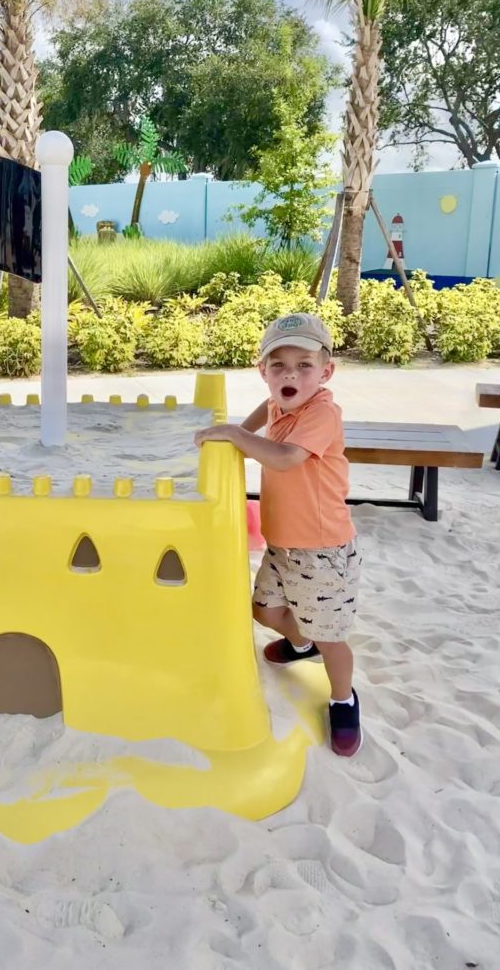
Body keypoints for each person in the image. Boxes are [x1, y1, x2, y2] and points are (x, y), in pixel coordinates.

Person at [194, 313, 362, 757]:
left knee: (330, 636)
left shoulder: (321, 413)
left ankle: (343, 699)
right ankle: (300, 642)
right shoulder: (278, 403)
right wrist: (232, 433)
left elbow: (286, 457)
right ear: (263, 371)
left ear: (326, 372)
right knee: (264, 611)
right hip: (283, 544)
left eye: (304, 364)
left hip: (321, 550)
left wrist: (232, 435)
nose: (291, 373)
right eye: (279, 364)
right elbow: (257, 419)